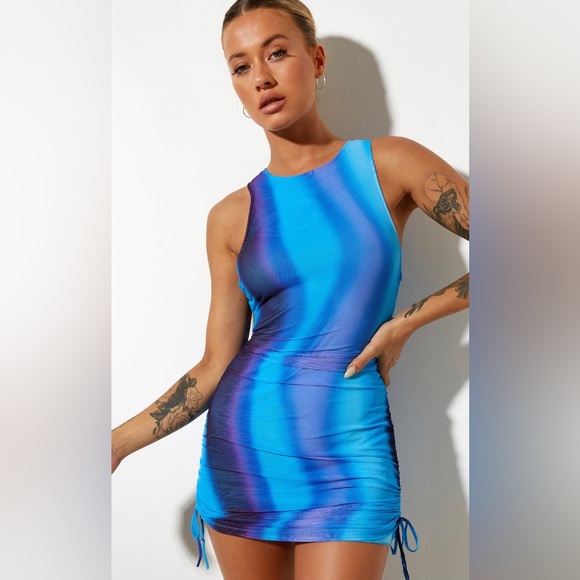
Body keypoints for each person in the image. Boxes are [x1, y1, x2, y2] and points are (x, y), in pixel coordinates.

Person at [111, 1, 469, 578]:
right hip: (247, 449)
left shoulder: (388, 164)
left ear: (316, 59)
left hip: (351, 448)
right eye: (241, 66)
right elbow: (214, 365)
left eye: (276, 53)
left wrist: (405, 323)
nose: (261, 77)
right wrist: (114, 444)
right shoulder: (231, 216)